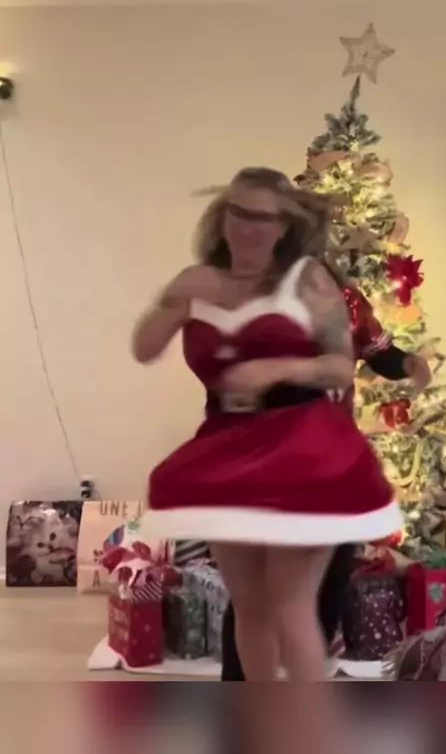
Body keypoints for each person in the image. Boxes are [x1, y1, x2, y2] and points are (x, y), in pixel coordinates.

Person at [134, 166, 403, 681]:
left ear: (284, 226)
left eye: (262, 217)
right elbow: (144, 350)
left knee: (290, 607)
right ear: (222, 216)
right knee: (250, 606)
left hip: (304, 449)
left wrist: (277, 369)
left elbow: (339, 366)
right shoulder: (199, 282)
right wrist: (170, 301)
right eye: (237, 212)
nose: (247, 226)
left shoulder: (307, 279)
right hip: (228, 449)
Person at [221, 283, 431, 680]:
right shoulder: (259, 297)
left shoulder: (345, 298)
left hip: (334, 463)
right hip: (272, 463)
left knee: (331, 580)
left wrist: (409, 363)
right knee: (255, 595)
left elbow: (380, 352)